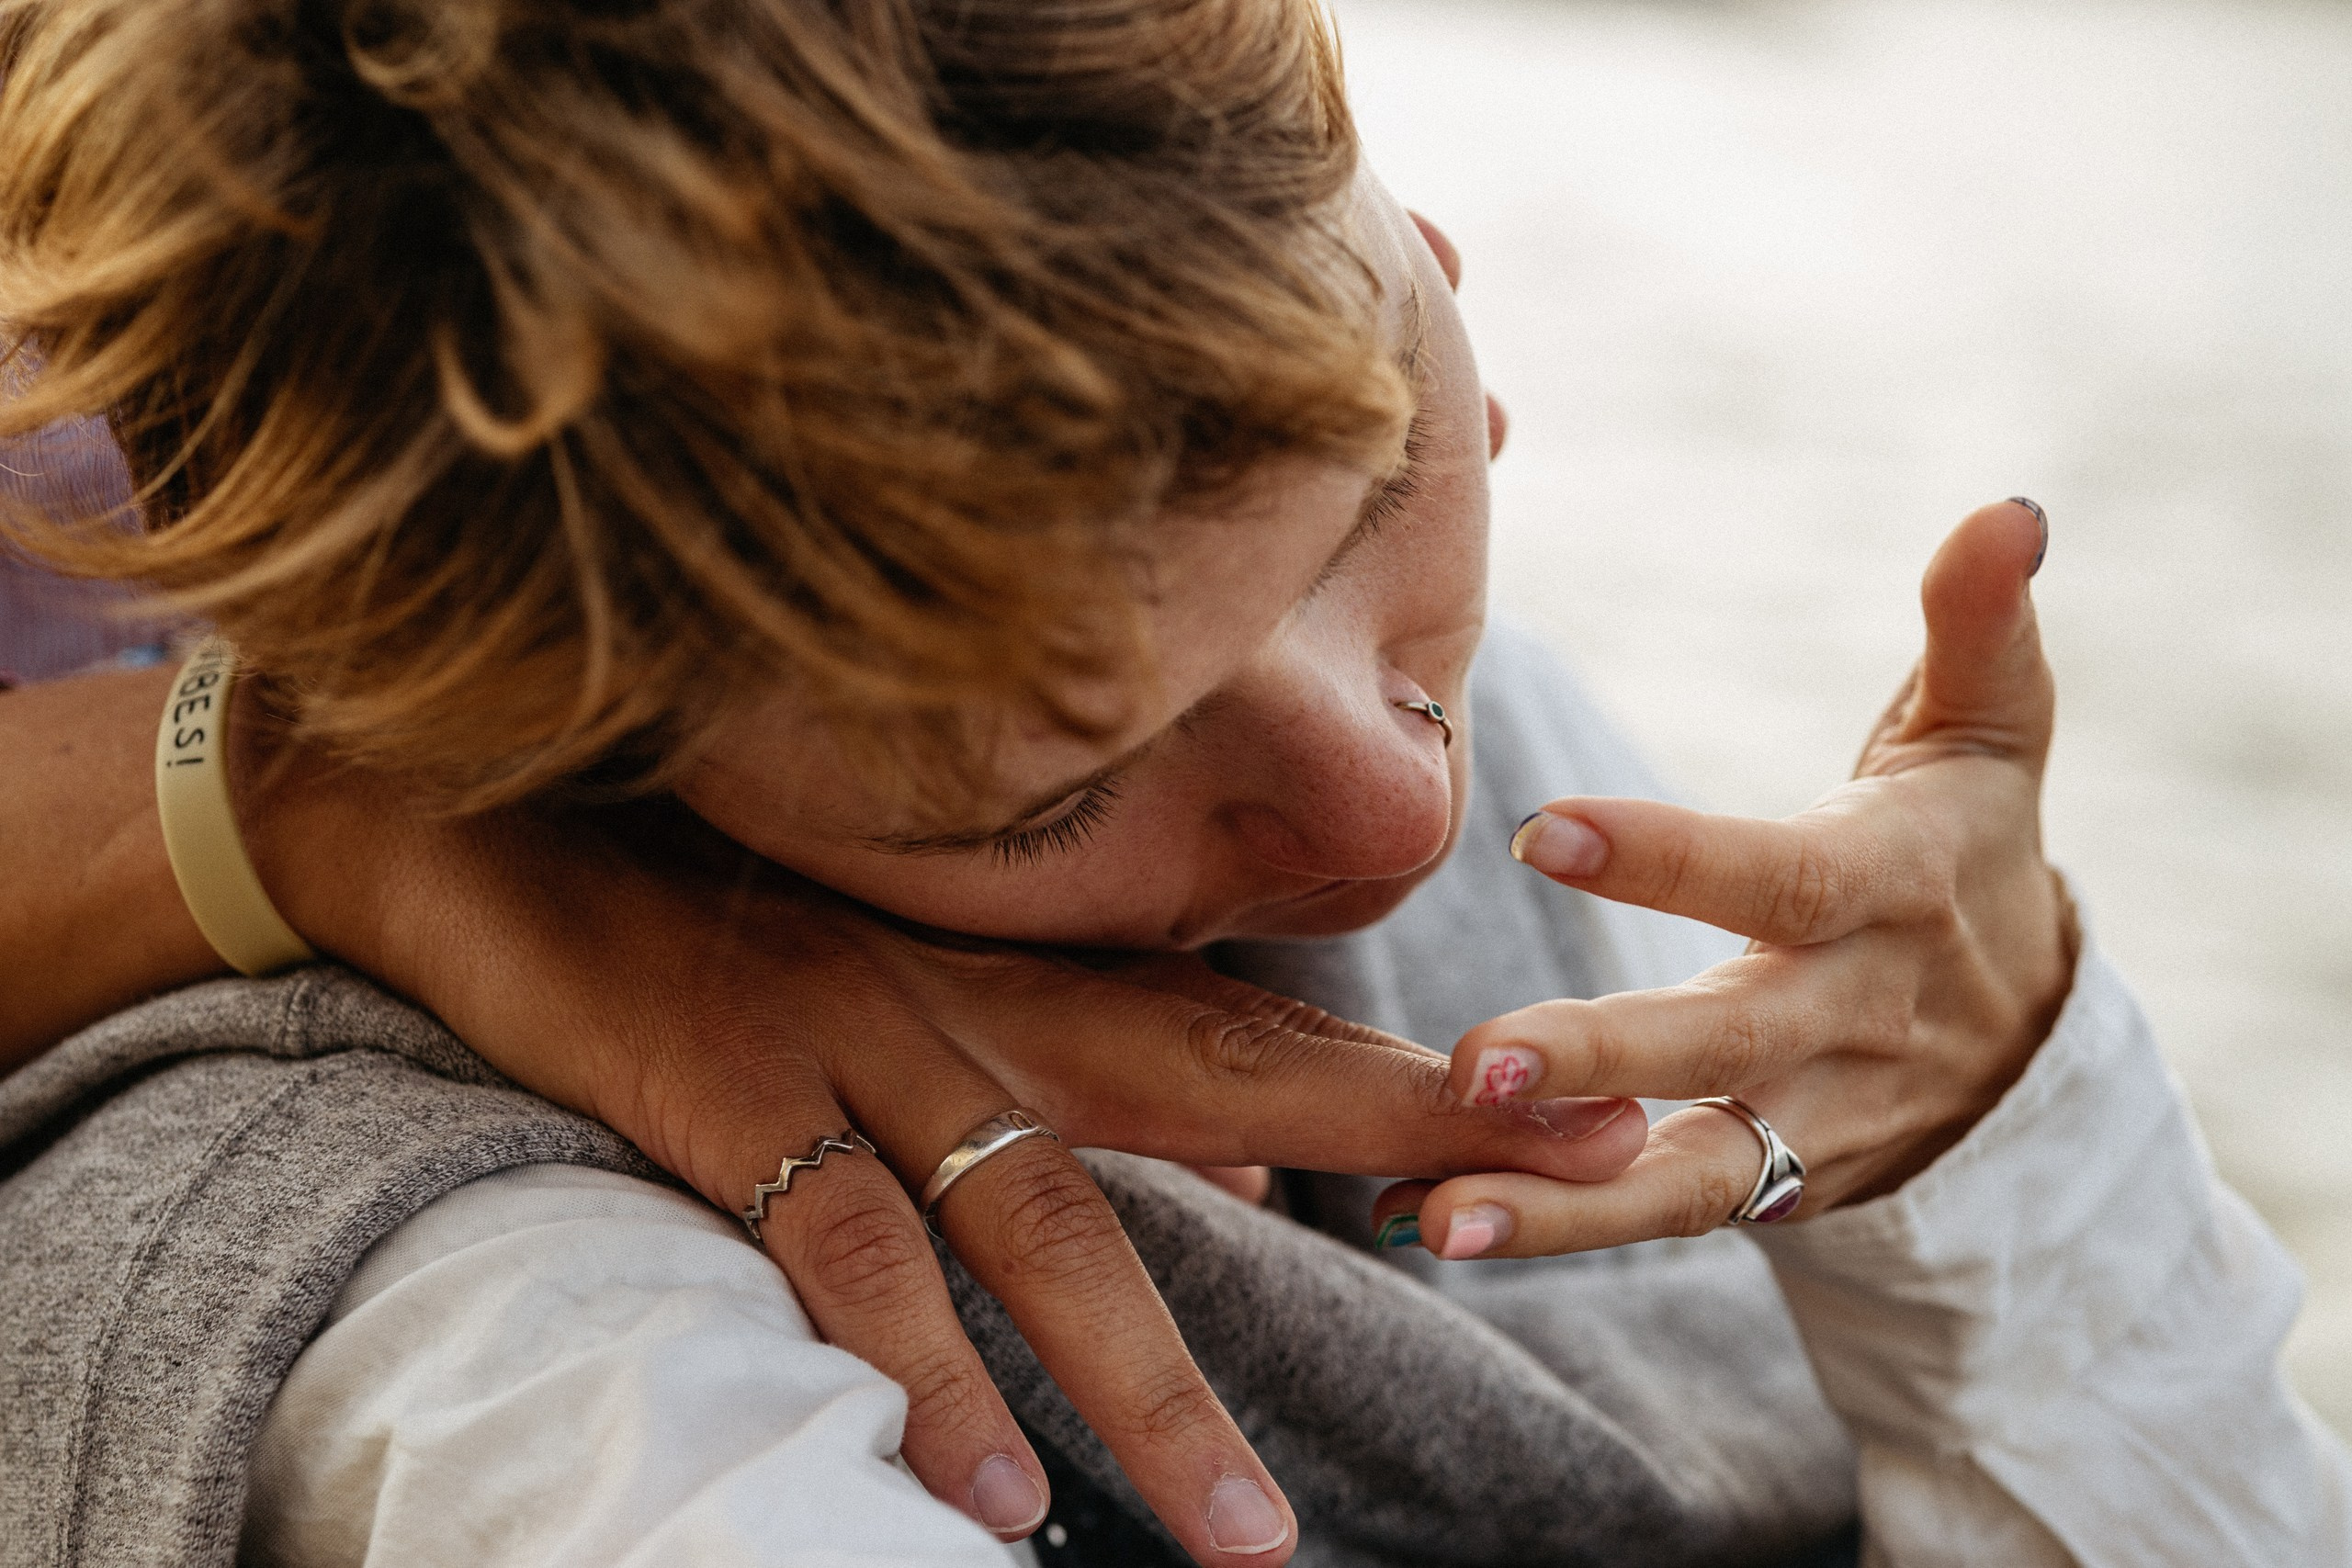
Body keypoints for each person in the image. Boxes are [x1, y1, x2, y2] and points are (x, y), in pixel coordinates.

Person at [0, 0, 2344, 1563]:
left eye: (1375, 459)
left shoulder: (1484, 729)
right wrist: (300, 814)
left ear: (1399, 217)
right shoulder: (531, 1347)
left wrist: (2002, 1146)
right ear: (532, 774)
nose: (1391, 815)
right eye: (1031, 794)